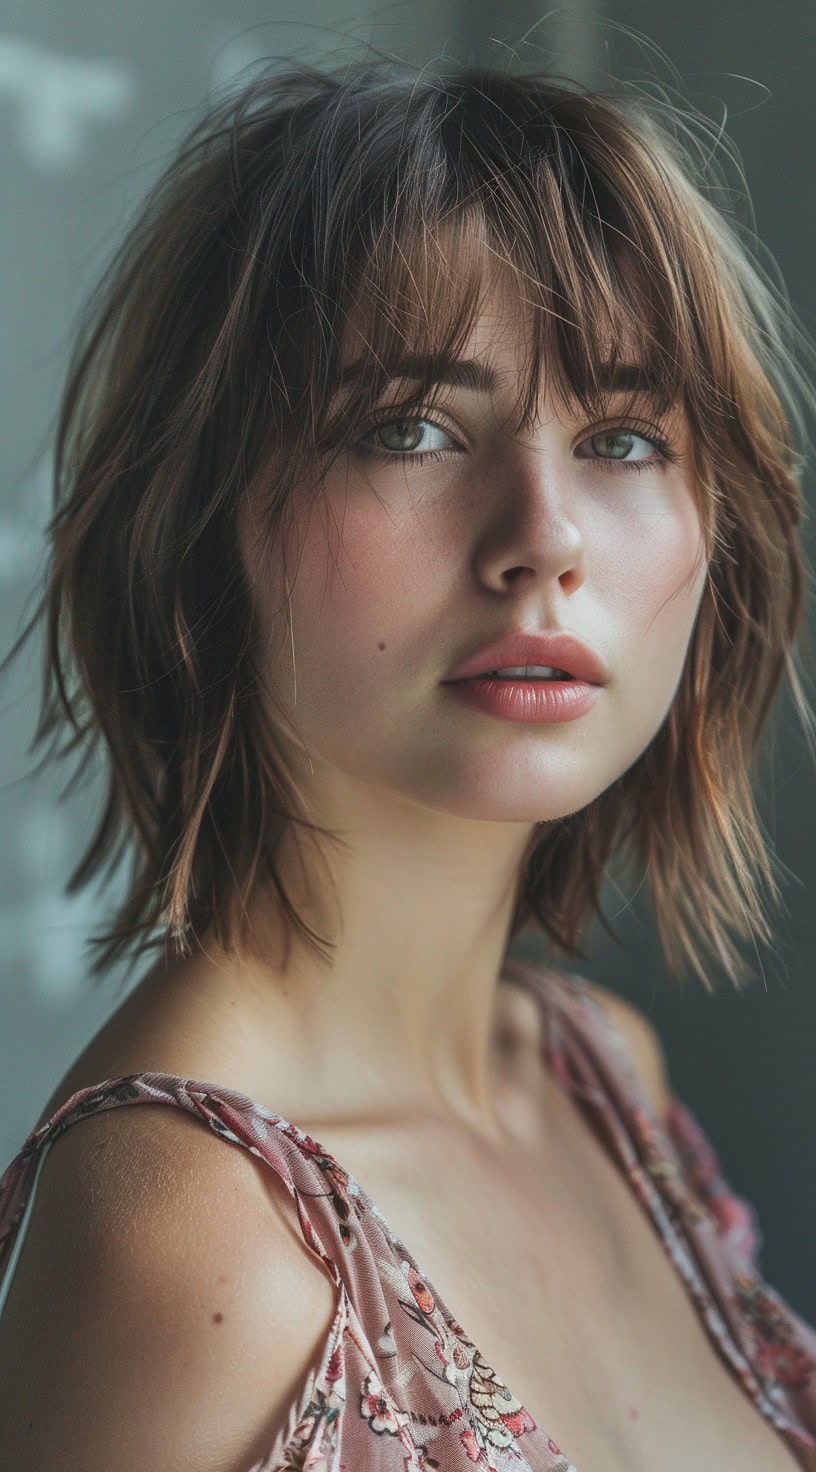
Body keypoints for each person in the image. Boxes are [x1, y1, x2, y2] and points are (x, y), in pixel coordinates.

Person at [0, 54, 815, 1472]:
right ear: (203, 535)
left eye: (624, 436)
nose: (544, 535)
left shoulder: (596, 1074)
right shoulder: (190, 1233)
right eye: (413, 427)